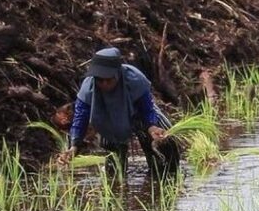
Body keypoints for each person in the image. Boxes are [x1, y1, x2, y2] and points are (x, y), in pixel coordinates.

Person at [56, 48, 180, 180]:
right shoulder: (88, 88)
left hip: (138, 115)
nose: (104, 84)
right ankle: (117, 183)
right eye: (100, 80)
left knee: (164, 149)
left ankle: (164, 178)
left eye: (109, 80)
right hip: (110, 121)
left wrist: (152, 127)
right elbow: (80, 118)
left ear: (118, 74)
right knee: (115, 171)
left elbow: (147, 108)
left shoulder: (135, 79)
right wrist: (74, 146)